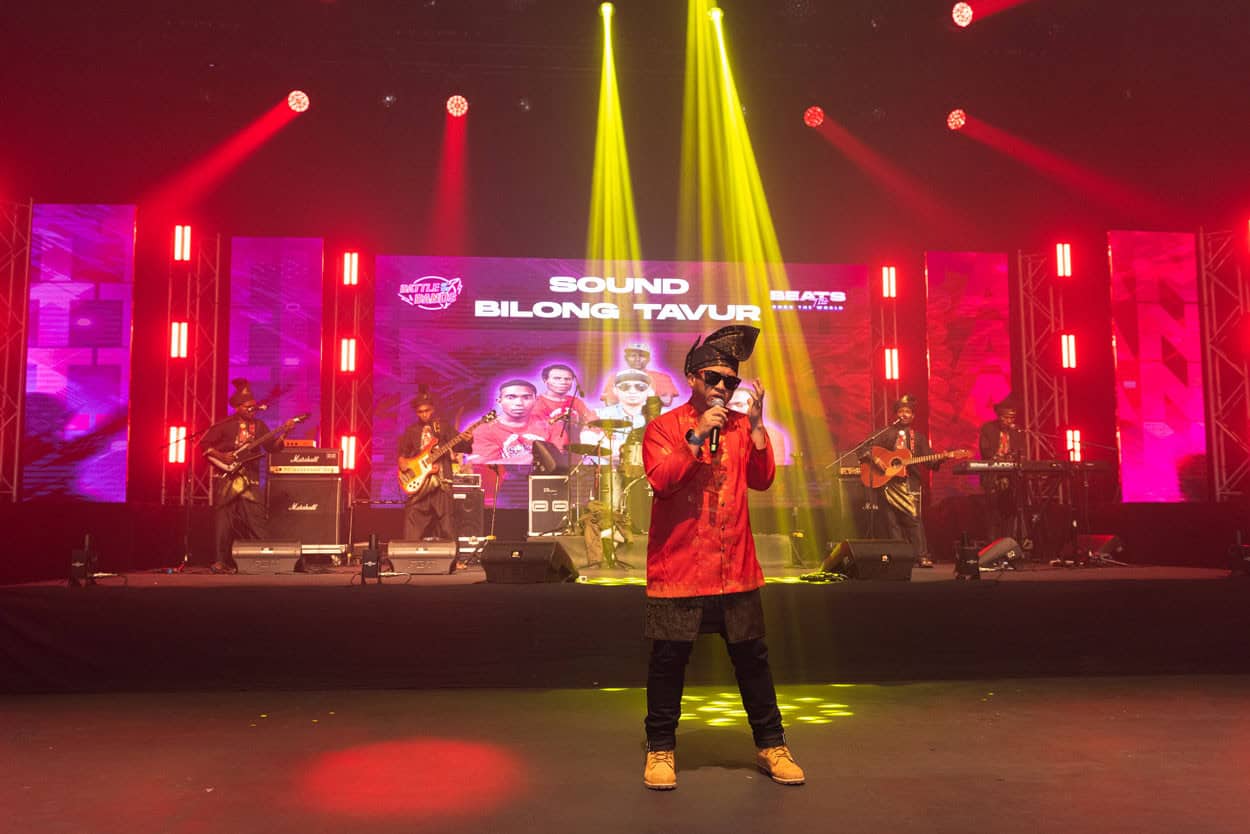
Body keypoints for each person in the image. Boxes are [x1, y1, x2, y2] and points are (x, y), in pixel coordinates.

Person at [639, 324, 804, 791]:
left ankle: (772, 745)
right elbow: (662, 481)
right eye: (713, 378)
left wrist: (756, 428)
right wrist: (697, 436)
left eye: (730, 382)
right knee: (669, 661)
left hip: (736, 567)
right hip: (679, 568)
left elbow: (763, 480)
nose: (722, 388)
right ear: (692, 377)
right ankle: (660, 748)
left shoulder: (739, 426)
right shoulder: (663, 427)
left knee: (752, 659)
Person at [199, 378, 295, 573]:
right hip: (227, 480)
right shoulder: (224, 425)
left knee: (257, 520)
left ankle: (267, 560)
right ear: (238, 408)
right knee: (223, 523)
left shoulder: (259, 426)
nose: (252, 409)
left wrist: (284, 433)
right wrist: (222, 456)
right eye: (248, 407)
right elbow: (204, 445)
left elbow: (272, 448)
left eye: (254, 406)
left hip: (250, 480)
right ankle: (220, 561)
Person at [857, 394, 943, 568]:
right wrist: (876, 459)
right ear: (896, 414)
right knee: (891, 522)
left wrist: (941, 458)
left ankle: (921, 555)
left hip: (909, 484)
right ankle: (899, 557)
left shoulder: (918, 438)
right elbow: (863, 447)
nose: (904, 414)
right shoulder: (885, 433)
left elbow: (929, 460)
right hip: (887, 483)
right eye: (901, 411)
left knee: (913, 519)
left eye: (908, 412)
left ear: (913, 416)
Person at [397, 387, 475, 541]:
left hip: (441, 482)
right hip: (420, 483)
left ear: (432, 409)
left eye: (427, 410)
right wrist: (403, 463)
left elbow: (461, 447)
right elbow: (402, 454)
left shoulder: (443, 427)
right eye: (420, 412)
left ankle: (452, 554)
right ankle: (410, 553)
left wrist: (468, 439)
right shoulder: (411, 431)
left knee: (447, 523)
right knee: (412, 518)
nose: (424, 414)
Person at [471, 379, 555, 465]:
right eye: (511, 397)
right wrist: (530, 458)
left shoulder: (552, 424)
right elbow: (485, 466)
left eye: (526, 397)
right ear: (499, 401)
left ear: (536, 400)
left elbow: (559, 459)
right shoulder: (485, 431)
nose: (519, 403)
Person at [978, 396, 1026, 541]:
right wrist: (998, 458)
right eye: (1006, 417)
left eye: (1012, 418)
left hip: (1011, 476)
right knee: (993, 512)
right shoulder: (988, 428)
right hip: (992, 475)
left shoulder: (1017, 431)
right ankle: (993, 543)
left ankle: (1009, 541)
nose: (1009, 421)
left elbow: (1021, 452)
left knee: (1010, 511)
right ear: (999, 416)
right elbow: (985, 451)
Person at [536, 363, 597, 450]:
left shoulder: (576, 402)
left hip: (575, 450)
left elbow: (593, 422)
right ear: (545, 380)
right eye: (557, 378)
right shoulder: (536, 402)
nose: (563, 382)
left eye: (567, 379)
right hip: (550, 450)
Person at [601, 342, 679, 407]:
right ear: (626, 358)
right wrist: (652, 398)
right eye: (633, 355)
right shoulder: (615, 378)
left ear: (648, 359)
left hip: (652, 418)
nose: (637, 359)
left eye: (642, 356)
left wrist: (627, 398)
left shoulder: (662, 378)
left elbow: (667, 401)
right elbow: (610, 403)